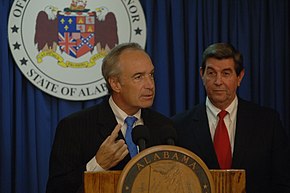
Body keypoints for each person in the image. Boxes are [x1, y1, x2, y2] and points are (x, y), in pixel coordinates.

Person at [46, 42, 174, 193]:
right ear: (115, 83)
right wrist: (97, 165)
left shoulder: (165, 128)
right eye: (138, 77)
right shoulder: (74, 127)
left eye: (151, 75)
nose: (150, 85)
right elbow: (57, 189)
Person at [172, 43, 290, 193]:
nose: (218, 81)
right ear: (202, 74)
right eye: (211, 73)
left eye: (226, 73)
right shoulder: (179, 126)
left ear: (239, 77)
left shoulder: (267, 122)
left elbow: (282, 181)